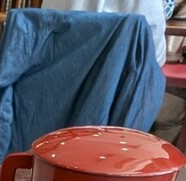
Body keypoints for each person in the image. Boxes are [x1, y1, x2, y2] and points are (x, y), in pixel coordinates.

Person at [40, 0, 186, 143]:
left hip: (49, 90)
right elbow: (154, 54)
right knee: (177, 112)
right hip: (108, 101)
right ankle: (132, 153)